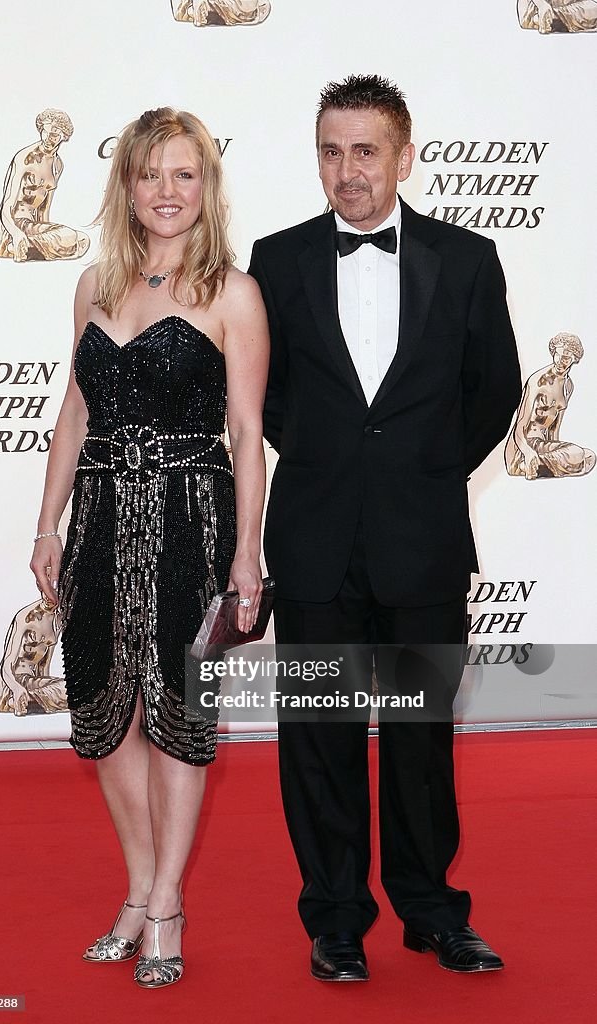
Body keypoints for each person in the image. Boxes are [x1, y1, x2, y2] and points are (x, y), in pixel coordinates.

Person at [248, 74, 521, 981]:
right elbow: (264, 400)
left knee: (419, 741)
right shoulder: (275, 261)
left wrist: (424, 470)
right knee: (319, 743)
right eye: (330, 151)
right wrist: (337, 461)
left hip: (423, 539)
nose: (346, 170)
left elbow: (496, 391)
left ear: (405, 156)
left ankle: (433, 911)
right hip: (316, 541)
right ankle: (334, 919)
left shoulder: (469, 257)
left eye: (365, 151)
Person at [30, 106, 268, 989]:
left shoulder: (233, 294)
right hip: (96, 516)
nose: (167, 192)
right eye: (150, 174)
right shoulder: (93, 284)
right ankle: (137, 887)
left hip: (190, 520)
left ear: (206, 186)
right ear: (125, 185)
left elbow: (247, 434)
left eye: (185, 174)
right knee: (103, 715)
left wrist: (246, 552)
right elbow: (73, 414)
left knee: (177, 719)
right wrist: (47, 523)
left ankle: (167, 902)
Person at [0, 109, 90, 262]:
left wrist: (49, 236)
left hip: (31, 227)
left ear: (64, 137)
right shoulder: (24, 158)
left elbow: (43, 211)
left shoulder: (57, 165)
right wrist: (16, 234)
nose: (49, 139)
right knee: (69, 238)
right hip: (10, 229)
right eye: (46, 132)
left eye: (55, 135)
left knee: (83, 240)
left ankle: (27, 249)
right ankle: (15, 245)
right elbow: (7, 205)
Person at [505, 332, 595, 478]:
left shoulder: (568, 386)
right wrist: (528, 453)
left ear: (575, 359)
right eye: (557, 355)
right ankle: (525, 464)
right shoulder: (538, 381)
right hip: (523, 448)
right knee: (577, 454)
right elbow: (519, 425)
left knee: (590, 457)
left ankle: (536, 467)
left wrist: (558, 453)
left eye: (566, 357)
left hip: (542, 446)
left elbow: (554, 430)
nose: (560, 361)